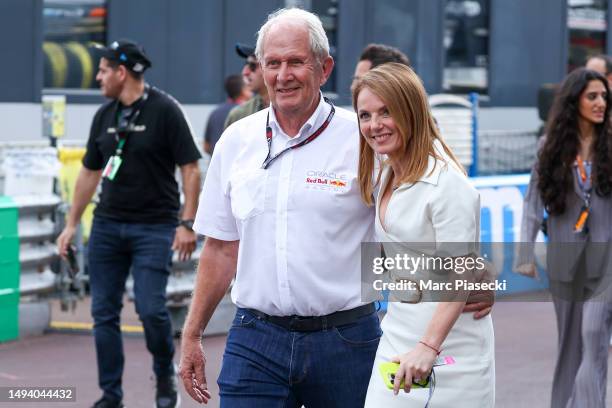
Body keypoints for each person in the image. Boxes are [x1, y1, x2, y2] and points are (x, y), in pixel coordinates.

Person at [178, 8, 492, 407]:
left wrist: (475, 274)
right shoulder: (235, 142)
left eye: (295, 62)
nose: (282, 74)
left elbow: (419, 220)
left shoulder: (365, 139)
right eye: (272, 63)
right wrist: (192, 335)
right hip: (255, 339)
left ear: (324, 68)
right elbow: (220, 249)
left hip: (347, 341)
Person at [56, 39, 202, 408]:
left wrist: (187, 222)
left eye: (104, 70)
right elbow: (89, 173)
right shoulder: (103, 116)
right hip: (107, 226)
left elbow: (190, 168)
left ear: (122, 72)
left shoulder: (166, 111)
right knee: (103, 313)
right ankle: (111, 395)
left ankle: (165, 375)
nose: (98, 77)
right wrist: (72, 224)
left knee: (150, 309)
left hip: (153, 227)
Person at [353, 63, 495, 407]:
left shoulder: (447, 183)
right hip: (397, 336)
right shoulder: (386, 173)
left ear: (411, 111)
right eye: (365, 115)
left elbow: (460, 275)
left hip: (451, 356)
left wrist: (429, 347)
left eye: (386, 112)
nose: (374, 125)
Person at [516, 67, 612, 408]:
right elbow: (532, 202)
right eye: (592, 96)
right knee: (570, 347)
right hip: (566, 261)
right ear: (575, 102)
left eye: (604, 97)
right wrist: (524, 251)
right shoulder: (550, 148)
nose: (601, 102)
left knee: (594, 333)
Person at [223, 43, 270, 128]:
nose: (245, 72)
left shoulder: (292, 110)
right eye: (246, 64)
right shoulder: (238, 115)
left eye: (253, 66)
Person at [204, 74, 251, 154]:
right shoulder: (249, 113)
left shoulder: (215, 113)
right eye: (248, 87)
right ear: (243, 90)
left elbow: (206, 146)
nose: (251, 90)